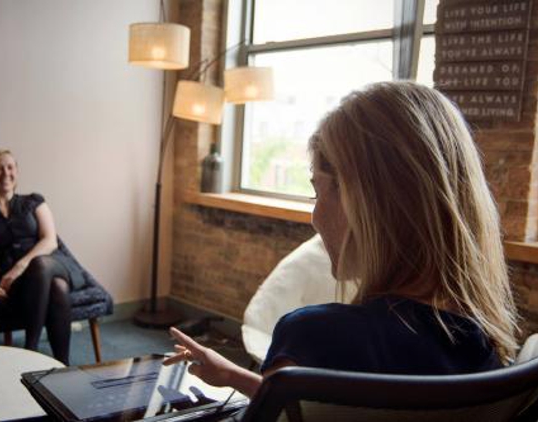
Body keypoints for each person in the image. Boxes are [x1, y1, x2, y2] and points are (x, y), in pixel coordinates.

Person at [162, 81, 519, 399]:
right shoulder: (482, 346)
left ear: (367, 205)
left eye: (318, 193)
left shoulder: (312, 336)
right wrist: (236, 376)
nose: (315, 218)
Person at [0, 150, 86, 364]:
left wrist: (20, 266)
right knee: (57, 289)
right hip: (23, 285)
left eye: (10, 167)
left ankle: (30, 350)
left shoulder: (34, 201)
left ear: (17, 172)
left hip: (55, 264)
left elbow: (50, 240)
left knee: (41, 264)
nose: (5, 173)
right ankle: (63, 365)